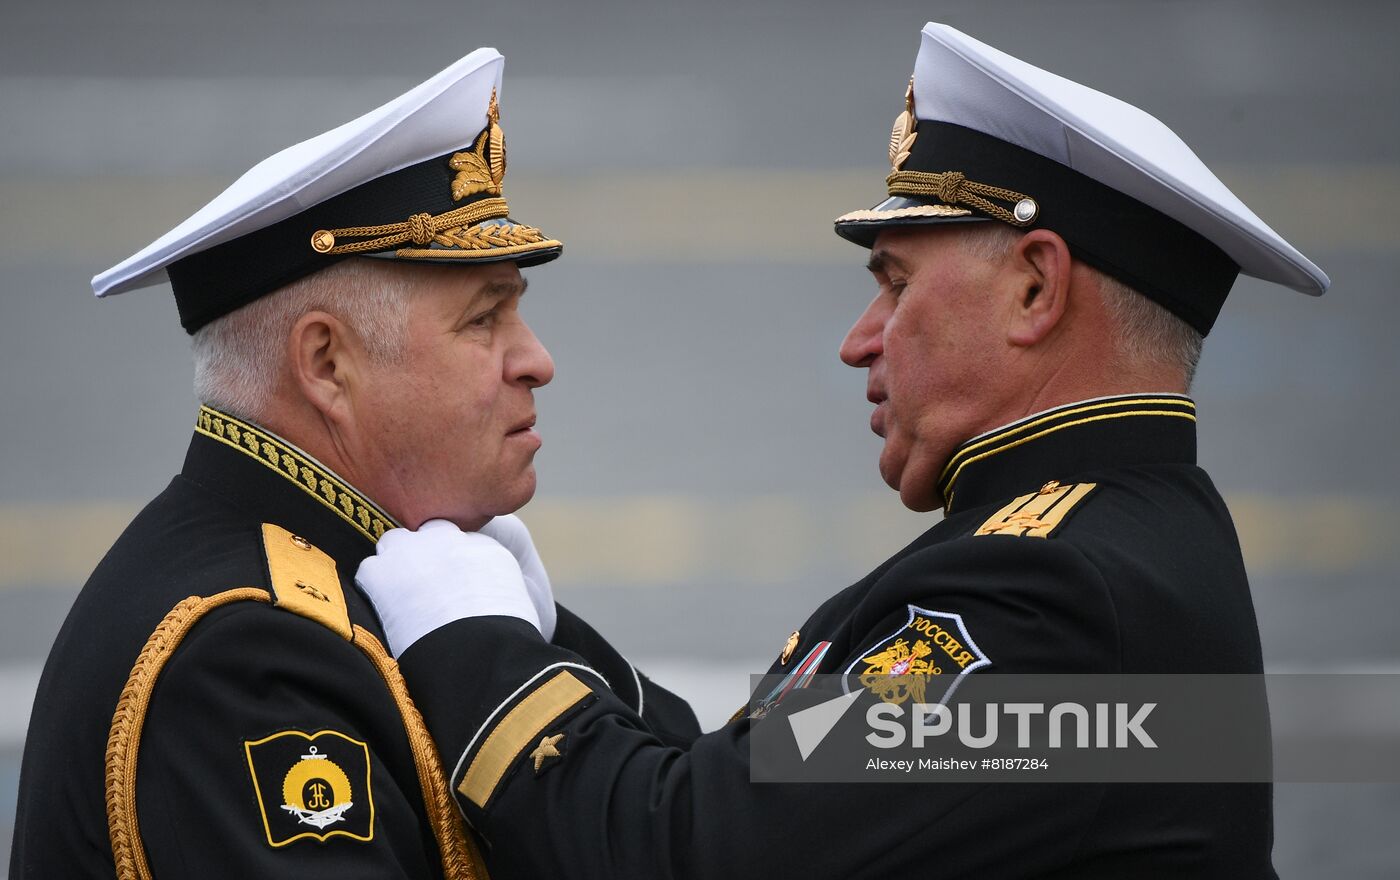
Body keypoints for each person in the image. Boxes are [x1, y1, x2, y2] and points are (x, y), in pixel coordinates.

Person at [352, 23, 1329, 879]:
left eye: (896, 284)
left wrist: (472, 644)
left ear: (1035, 289)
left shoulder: (1049, 602)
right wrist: (549, 642)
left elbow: (687, 853)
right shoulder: (1118, 542)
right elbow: (765, 789)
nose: (860, 340)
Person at [9, 49, 699, 880]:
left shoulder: (379, 583)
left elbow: (714, 807)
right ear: (327, 364)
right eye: (484, 320)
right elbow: (727, 820)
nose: (537, 361)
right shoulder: (249, 658)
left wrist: (541, 648)